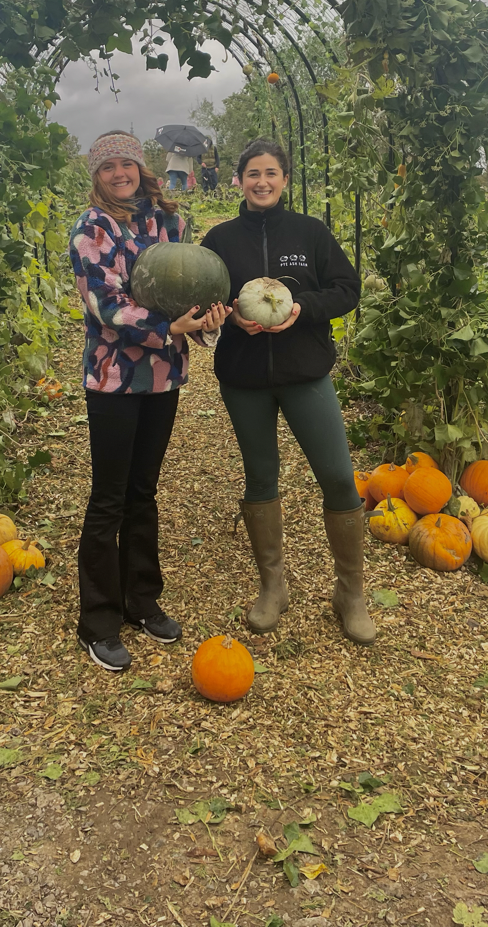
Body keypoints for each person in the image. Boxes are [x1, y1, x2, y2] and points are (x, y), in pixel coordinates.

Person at [201, 139, 374, 645]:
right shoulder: (220, 239)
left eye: (271, 173)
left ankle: (351, 592)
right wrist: (229, 316)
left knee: (340, 478)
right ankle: (273, 586)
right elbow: (204, 302)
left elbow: (347, 288)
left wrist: (302, 308)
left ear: (284, 179)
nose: (261, 182)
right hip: (244, 379)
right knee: (261, 478)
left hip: (306, 375)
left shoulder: (310, 232)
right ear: (238, 180)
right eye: (252, 173)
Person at [69, 131, 229, 672]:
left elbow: (191, 287)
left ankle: (141, 599)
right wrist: (169, 327)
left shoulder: (170, 222)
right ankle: (98, 621)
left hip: (162, 379)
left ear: (141, 167)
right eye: (108, 165)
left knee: (144, 490)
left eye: (127, 163)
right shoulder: (92, 228)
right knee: (109, 496)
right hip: (114, 379)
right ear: (97, 175)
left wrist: (206, 321)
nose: (120, 172)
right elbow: (105, 306)